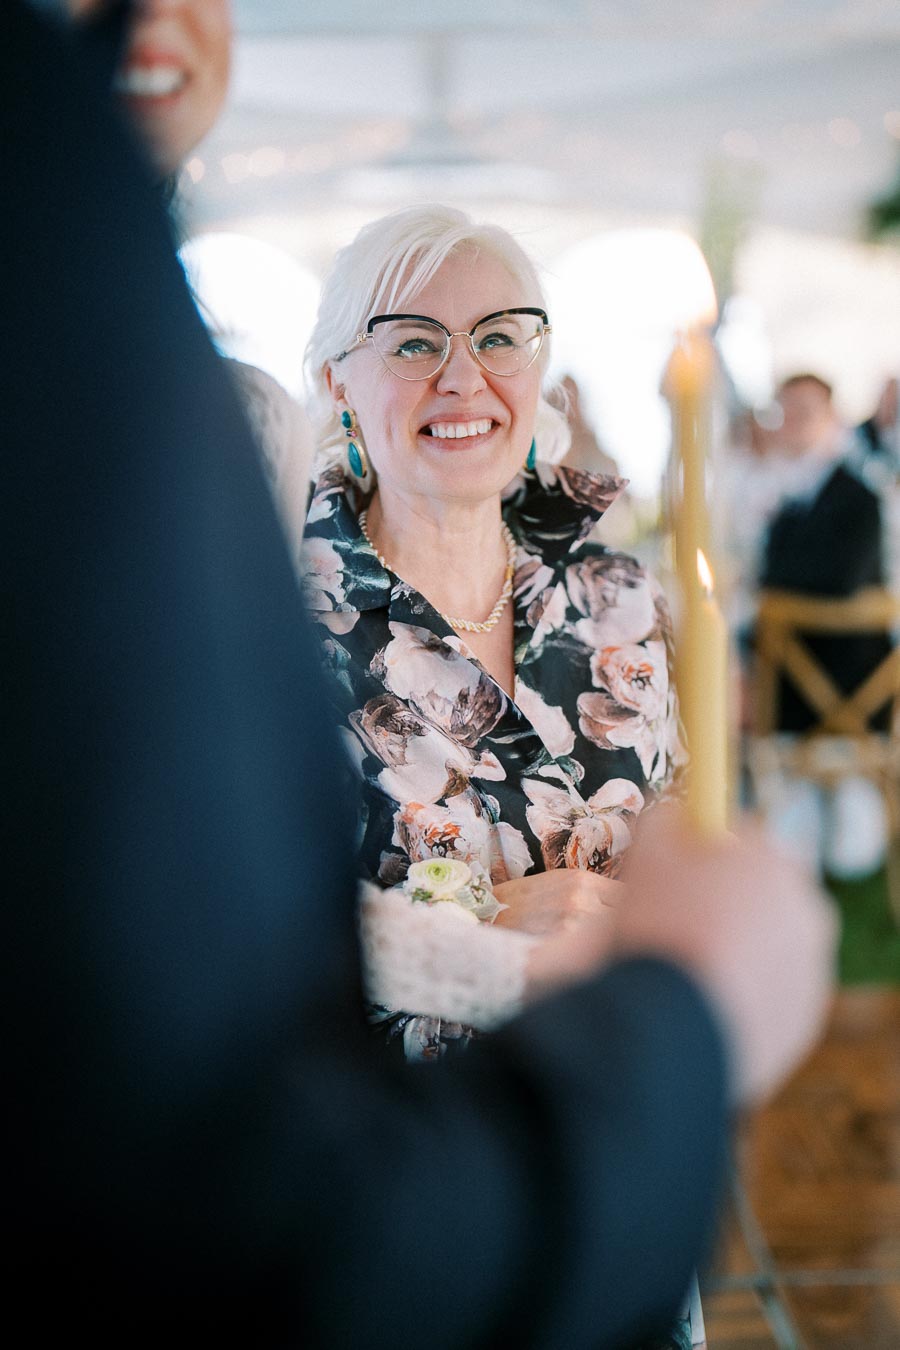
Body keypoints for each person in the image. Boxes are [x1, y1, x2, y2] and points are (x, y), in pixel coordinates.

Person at [5, 4, 835, 1346]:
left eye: (503, 334)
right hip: (374, 1186)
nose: (468, 375)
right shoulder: (275, 590)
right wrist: (498, 943)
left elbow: (687, 819)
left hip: (611, 1149)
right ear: (340, 380)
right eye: (414, 339)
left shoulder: (620, 590)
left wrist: (658, 911)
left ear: (544, 368)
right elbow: (216, 925)